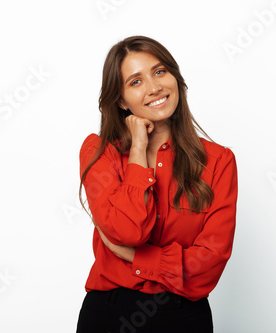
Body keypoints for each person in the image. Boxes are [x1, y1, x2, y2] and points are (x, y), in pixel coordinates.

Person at [76, 35, 238, 333]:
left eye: (160, 71)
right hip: (110, 315)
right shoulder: (99, 152)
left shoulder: (219, 161)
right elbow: (129, 230)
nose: (154, 87)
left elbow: (210, 263)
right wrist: (138, 149)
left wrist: (134, 257)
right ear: (121, 100)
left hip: (185, 317)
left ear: (176, 78)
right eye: (135, 82)